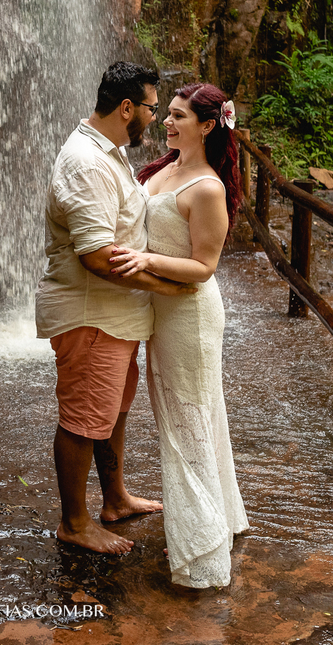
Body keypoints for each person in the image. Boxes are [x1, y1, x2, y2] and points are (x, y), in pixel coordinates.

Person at [35, 62, 197, 555]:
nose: (156, 118)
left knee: (111, 411)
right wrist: (165, 285)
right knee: (83, 418)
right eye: (151, 108)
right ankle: (74, 522)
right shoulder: (87, 162)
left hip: (116, 316)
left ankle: (115, 499)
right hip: (93, 316)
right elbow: (97, 255)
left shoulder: (109, 150)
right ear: (127, 107)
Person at [108, 82, 249, 586]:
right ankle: (216, 519)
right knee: (188, 415)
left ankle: (202, 545)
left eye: (178, 116)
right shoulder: (164, 169)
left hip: (190, 316)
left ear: (208, 126)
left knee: (188, 419)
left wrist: (145, 260)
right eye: (166, 113)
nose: (165, 122)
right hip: (162, 308)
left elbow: (204, 266)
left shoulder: (208, 188)